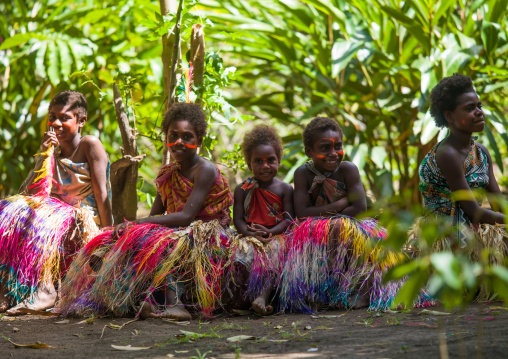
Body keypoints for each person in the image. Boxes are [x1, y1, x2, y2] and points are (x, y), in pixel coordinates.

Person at [56, 103, 233, 321]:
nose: (179, 142)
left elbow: (186, 217)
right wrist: (132, 230)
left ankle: (176, 305)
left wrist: (138, 223)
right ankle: (112, 298)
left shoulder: (204, 169)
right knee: (122, 240)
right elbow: (156, 216)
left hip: (206, 233)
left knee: (155, 239)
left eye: (187, 136)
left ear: (199, 141)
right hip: (181, 231)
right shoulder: (168, 173)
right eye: (173, 135)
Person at [0, 90, 112, 315]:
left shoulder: (90, 144)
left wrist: (108, 235)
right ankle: (6, 290)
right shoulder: (54, 150)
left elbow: (102, 193)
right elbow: (32, 192)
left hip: (81, 219)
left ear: (81, 121)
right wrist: (45, 154)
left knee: (39, 216)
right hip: (54, 217)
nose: (56, 123)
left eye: (64, 117)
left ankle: (46, 290)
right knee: (10, 212)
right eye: (52, 117)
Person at [281, 117, 403, 312]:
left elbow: (359, 210)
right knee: (329, 229)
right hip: (315, 232)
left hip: (354, 227)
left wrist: (327, 218)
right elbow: (302, 214)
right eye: (324, 148)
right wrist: (342, 203)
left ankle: (362, 291)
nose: (333, 153)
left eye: (337, 146)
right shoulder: (302, 173)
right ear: (309, 152)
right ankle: (321, 290)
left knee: (346, 231)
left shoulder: (348, 169)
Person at [419, 74, 504, 243]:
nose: (479, 112)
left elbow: (498, 203)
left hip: (472, 234)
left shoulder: (481, 153)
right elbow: (473, 211)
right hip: (445, 240)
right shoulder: (447, 154)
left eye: (479, 106)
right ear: (449, 116)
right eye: (470, 108)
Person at [233, 125, 294, 315]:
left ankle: (263, 296)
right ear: (249, 164)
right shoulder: (242, 189)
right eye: (258, 161)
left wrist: (271, 232)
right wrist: (249, 233)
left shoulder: (285, 189)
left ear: (279, 161)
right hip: (250, 236)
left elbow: (289, 219)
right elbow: (238, 220)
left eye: (270, 160)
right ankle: (243, 298)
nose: (265, 165)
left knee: (274, 251)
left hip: (277, 236)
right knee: (242, 254)